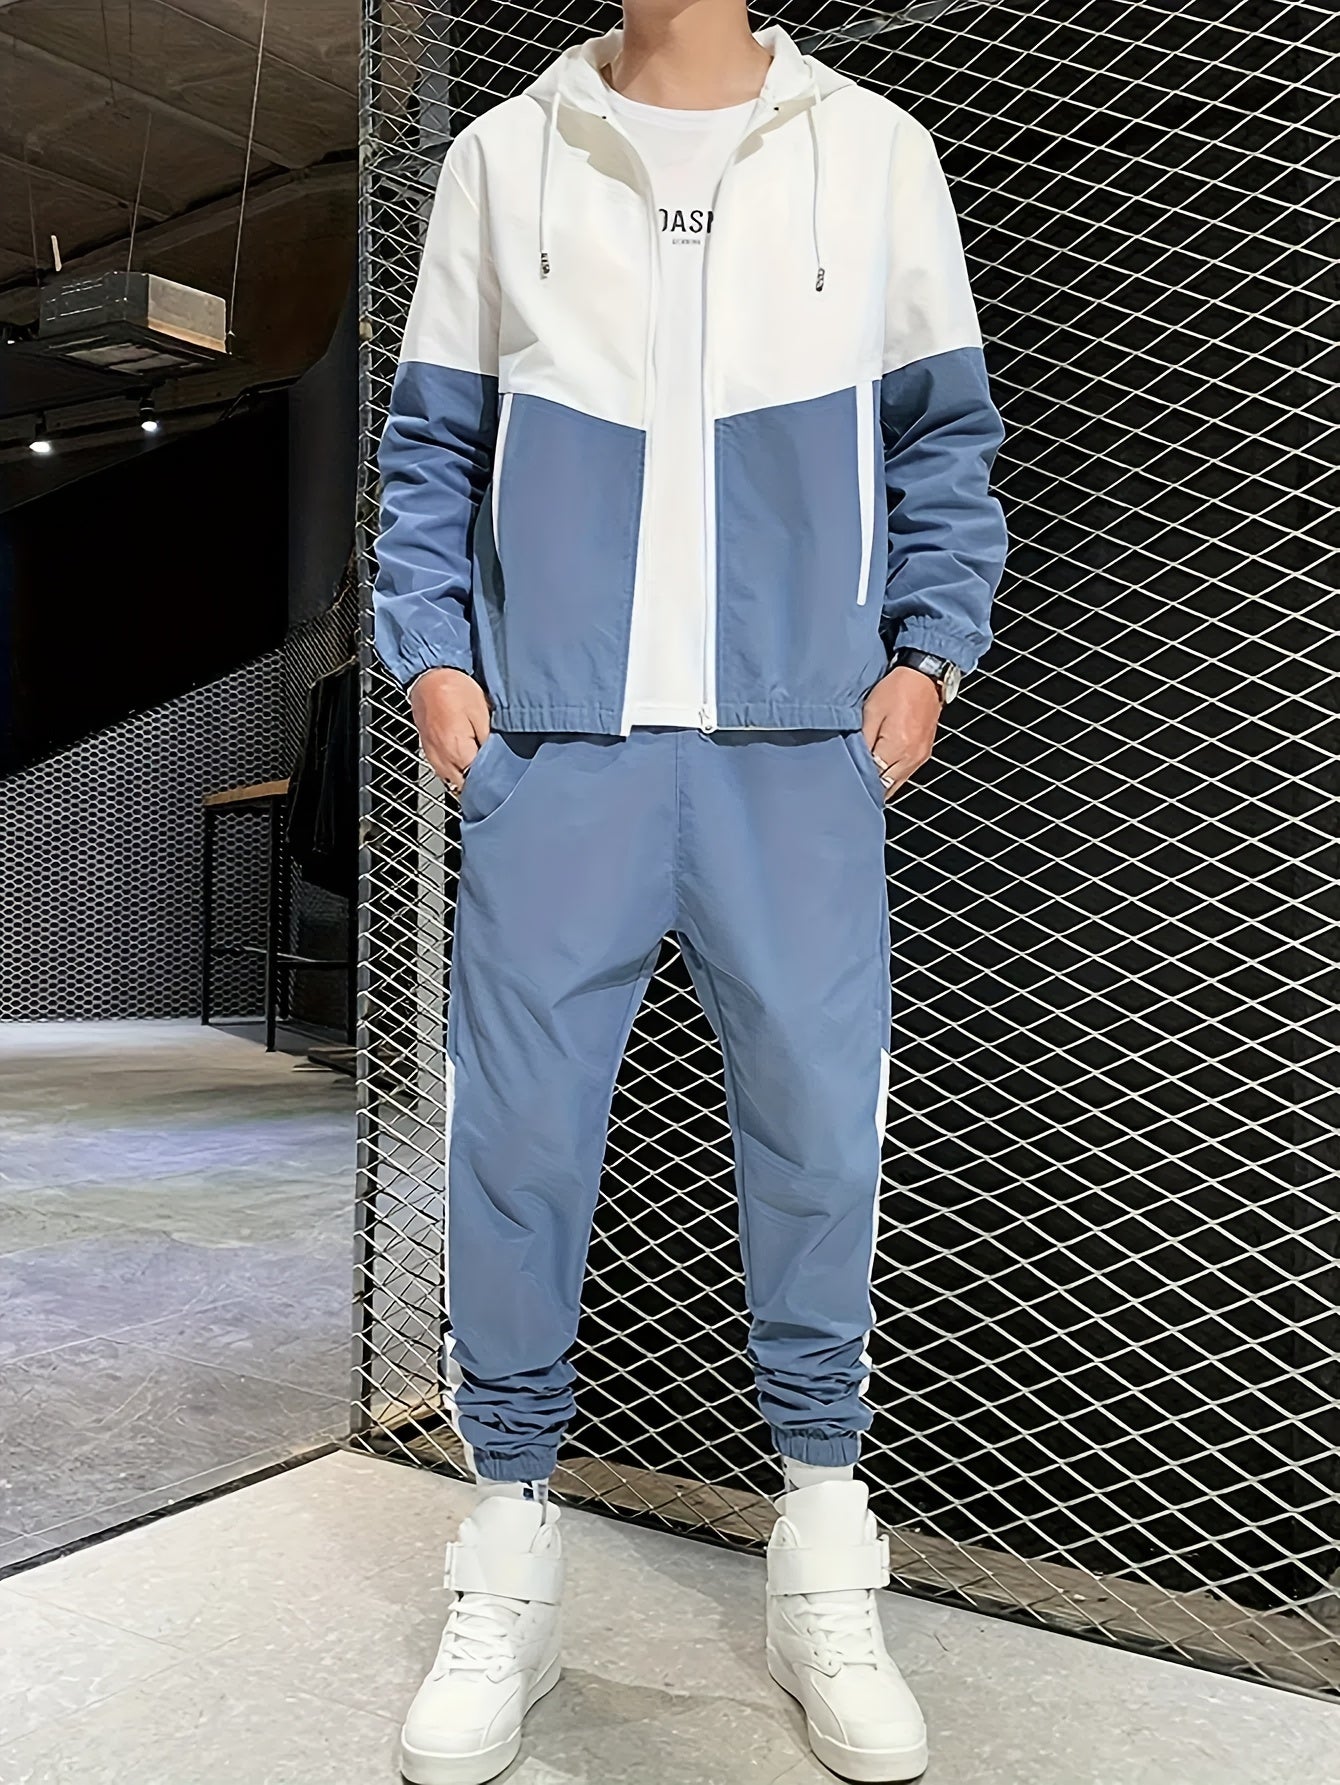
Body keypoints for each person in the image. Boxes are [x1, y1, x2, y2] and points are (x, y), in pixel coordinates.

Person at [373, 2, 1007, 1779]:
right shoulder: (501, 157)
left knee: (820, 1138)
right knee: (512, 1148)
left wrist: (927, 659)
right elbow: (430, 446)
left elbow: (944, 438)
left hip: (795, 745)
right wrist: (438, 660)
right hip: (554, 743)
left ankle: (825, 1545)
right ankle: (507, 1552)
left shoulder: (872, 151)